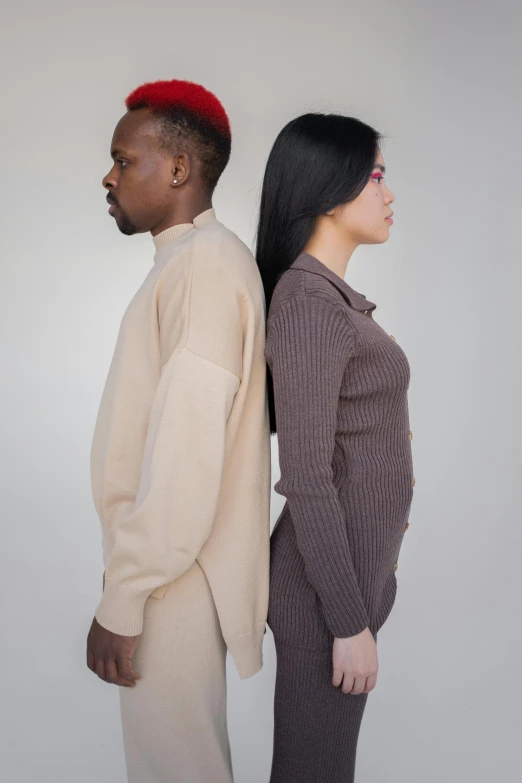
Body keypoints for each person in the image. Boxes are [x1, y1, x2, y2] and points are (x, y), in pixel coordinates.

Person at [86, 78, 270, 783]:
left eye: (123, 159)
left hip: (174, 576)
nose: (108, 175)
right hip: (168, 565)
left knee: (178, 770)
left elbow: (188, 454)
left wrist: (127, 592)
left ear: (179, 169)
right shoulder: (190, 262)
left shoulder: (205, 266)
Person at [255, 112, 415, 782]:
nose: (388, 193)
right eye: (375, 175)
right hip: (324, 600)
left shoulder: (329, 299)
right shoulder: (310, 303)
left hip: (345, 589)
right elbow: (308, 477)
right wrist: (348, 622)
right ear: (330, 184)